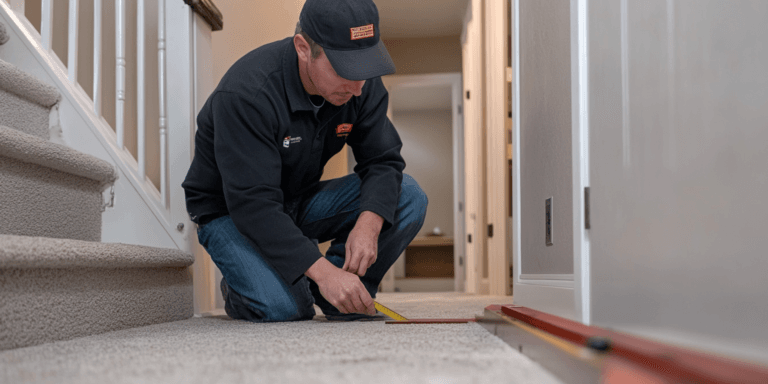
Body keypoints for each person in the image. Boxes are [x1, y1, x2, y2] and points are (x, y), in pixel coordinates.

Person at [181, 0, 428, 322]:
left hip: (298, 200)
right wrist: (323, 272)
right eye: (345, 70)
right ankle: (249, 285)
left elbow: (383, 161)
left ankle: (346, 295)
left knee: (407, 195)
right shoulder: (247, 94)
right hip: (231, 212)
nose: (357, 88)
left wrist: (368, 226)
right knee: (284, 308)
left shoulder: (361, 84)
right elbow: (253, 205)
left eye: (365, 69)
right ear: (303, 48)